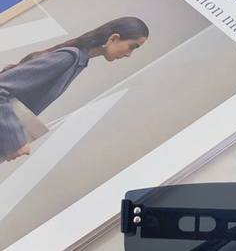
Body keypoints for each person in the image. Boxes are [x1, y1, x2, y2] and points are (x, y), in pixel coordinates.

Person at [0, 17, 149, 162]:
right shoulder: (68, 58)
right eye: (132, 46)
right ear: (113, 38)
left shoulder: (77, 60)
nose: (129, 54)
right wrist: (15, 140)